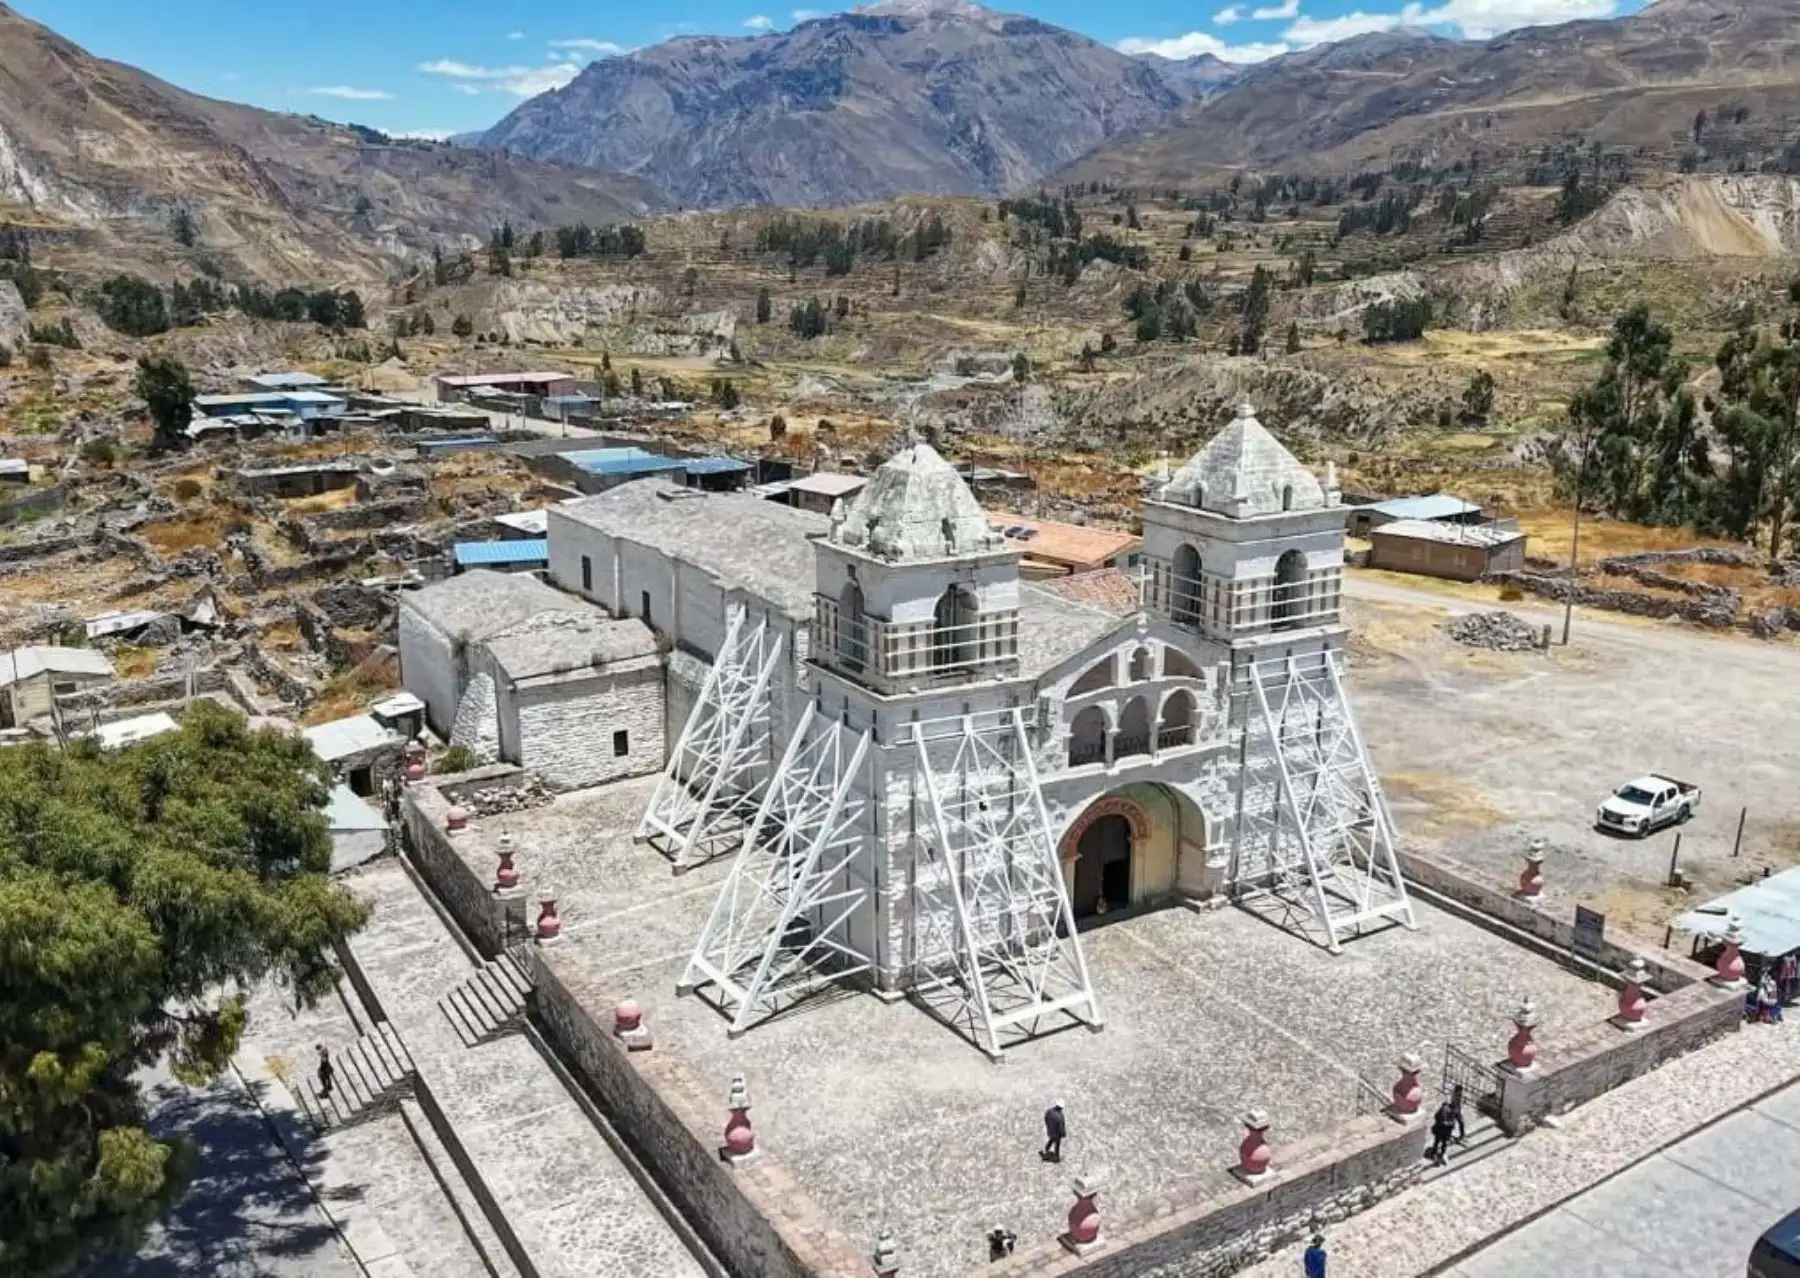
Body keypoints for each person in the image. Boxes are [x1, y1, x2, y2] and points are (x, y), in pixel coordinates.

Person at [1427, 1086, 1465, 1166]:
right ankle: (1434, 1155)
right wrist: (1446, 1123)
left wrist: (1451, 1123)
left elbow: (1456, 1117)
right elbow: (1437, 1116)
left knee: (1444, 1142)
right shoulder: (1445, 1108)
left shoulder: (1454, 1109)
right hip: (1440, 1129)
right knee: (1437, 1141)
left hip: (1447, 1130)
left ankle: (1442, 1154)